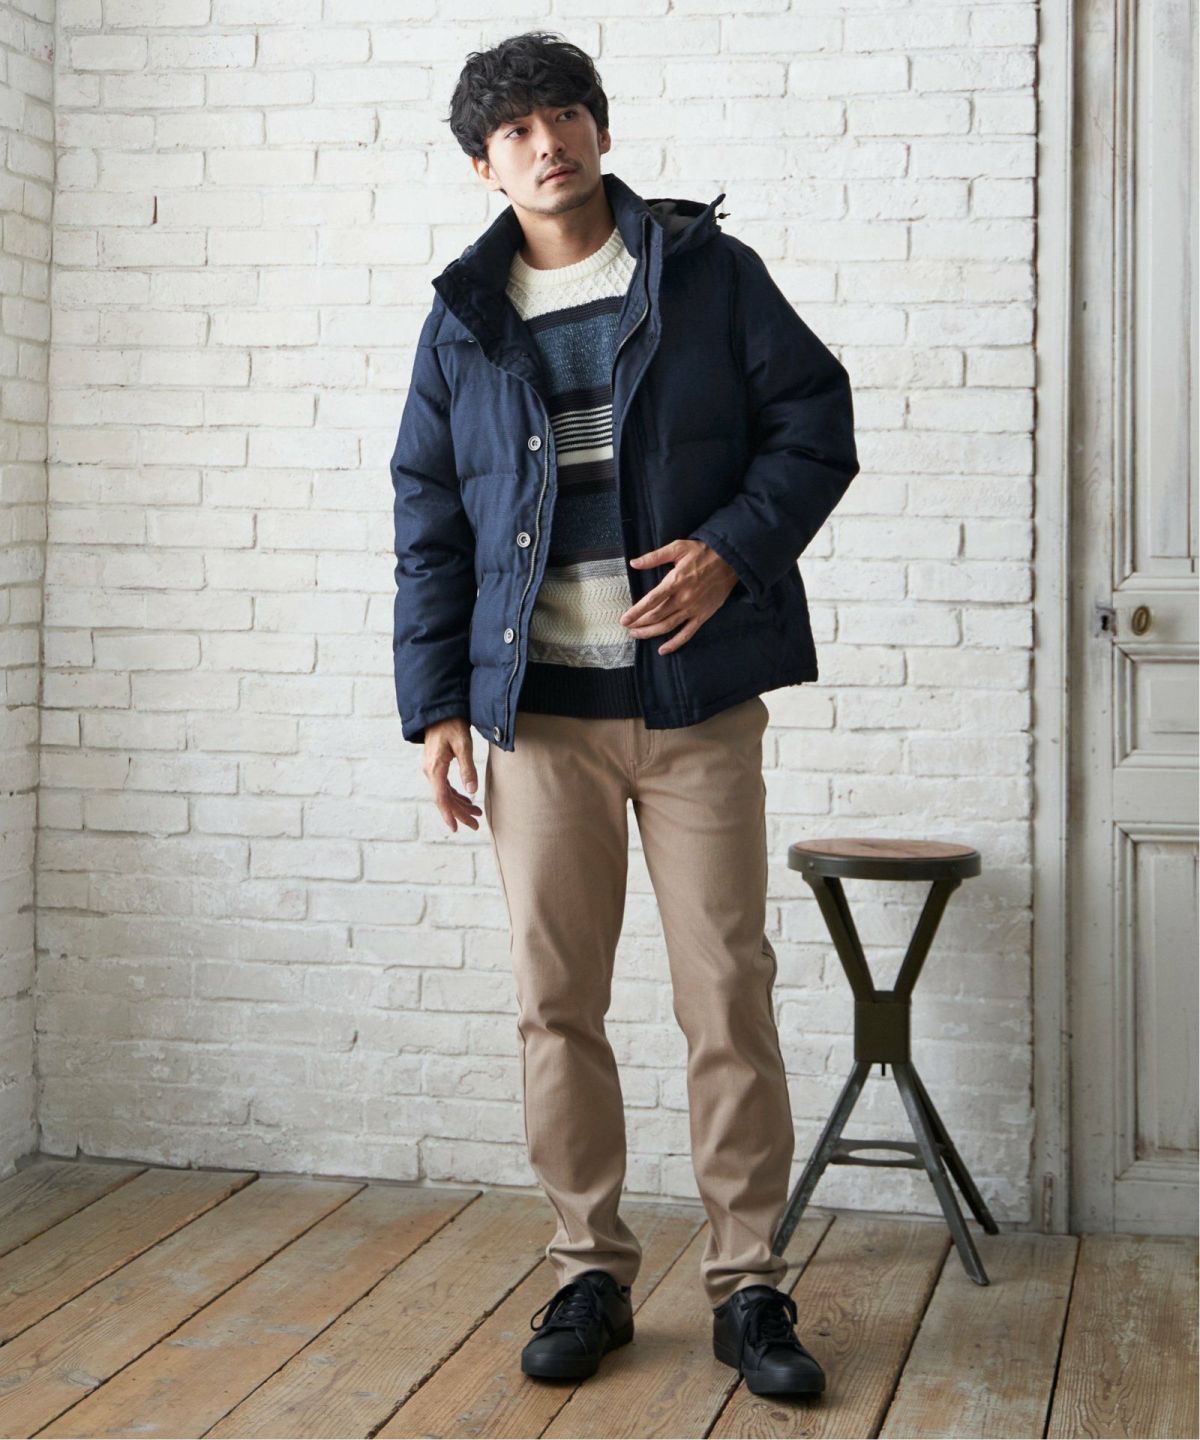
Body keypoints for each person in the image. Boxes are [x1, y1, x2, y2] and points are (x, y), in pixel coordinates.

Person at [390, 31, 859, 1398]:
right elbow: (430, 519)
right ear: (484, 167)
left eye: (564, 114)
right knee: (556, 1004)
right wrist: (437, 709)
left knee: (728, 991)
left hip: (696, 707)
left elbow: (815, 423)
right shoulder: (462, 319)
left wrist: (731, 550)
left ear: (598, 127)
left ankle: (749, 1283)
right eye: (515, 130)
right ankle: (588, 1267)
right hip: (539, 720)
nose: (547, 142)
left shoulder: (706, 273)